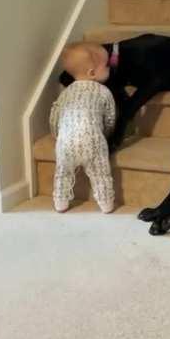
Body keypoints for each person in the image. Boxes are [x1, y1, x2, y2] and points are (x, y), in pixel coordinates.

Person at [50, 43, 116, 213]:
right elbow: (110, 118)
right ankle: (106, 203)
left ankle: (60, 202)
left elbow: (55, 117)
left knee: (62, 173)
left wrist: (56, 135)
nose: (110, 67)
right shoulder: (103, 92)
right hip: (93, 141)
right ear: (92, 73)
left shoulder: (65, 93)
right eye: (106, 65)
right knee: (101, 173)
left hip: (65, 143)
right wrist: (107, 134)